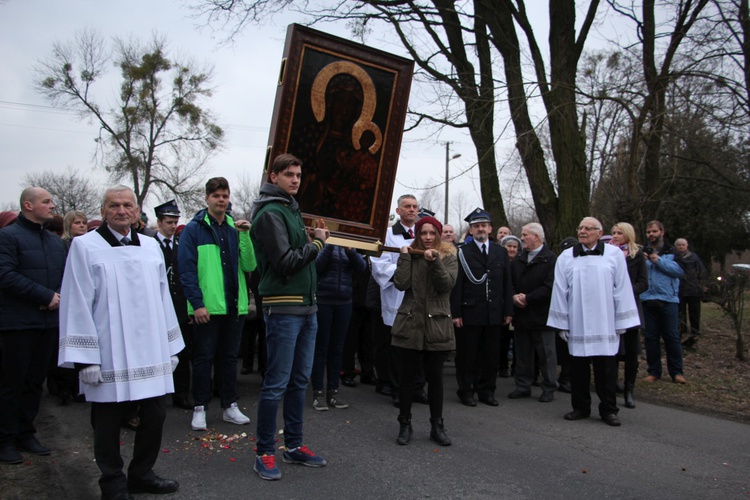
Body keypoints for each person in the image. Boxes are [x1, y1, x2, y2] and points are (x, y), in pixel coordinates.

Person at [58, 185, 183, 498]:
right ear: (103, 212)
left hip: (151, 349)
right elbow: (76, 301)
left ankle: (142, 473)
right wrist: (85, 357)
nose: (121, 211)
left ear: (137, 211)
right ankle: (112, 482)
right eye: (114, 205)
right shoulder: (85, 246)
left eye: (128, 205)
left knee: (155, 414)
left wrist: (171, 345)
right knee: (108, 420)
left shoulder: (152, 246)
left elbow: (162, 296)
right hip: (109, 349)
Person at [250, 153, 329, 481]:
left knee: (299, 381)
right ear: (274, 176)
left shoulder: (290, 210)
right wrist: (318, 245)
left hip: (307, 307)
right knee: (276, 384)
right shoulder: (270, 213)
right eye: (289, 174)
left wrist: (311, 244)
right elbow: (284, 262)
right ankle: (264, 452)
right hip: (283, 307)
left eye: (298, 174)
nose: (296, 179)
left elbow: (299, 260)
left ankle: (294, 445)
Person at [179, 178, 256, 431]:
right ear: (207, 198)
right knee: (203, 358)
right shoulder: (194, 228)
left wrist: (245, 235)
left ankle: (229, 405)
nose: (221, 200)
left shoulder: (236, 228)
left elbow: (249, 265)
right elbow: (187, 271)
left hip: (235, 305)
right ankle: (200, 407)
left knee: (229, 358)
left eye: (225, 195)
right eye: (216, 196)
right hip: (208, 308)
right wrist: (197, 304)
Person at [548, 217, 640, 427]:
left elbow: (622, 287)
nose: (583, 231)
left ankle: (608, 409)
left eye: (588, 228)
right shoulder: (566, 256)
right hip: (577, 321)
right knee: (578, 368)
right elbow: (560, 291)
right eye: (580, 227)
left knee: (606, 369)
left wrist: (622, 320)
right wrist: (562, 323)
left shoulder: (614, 255)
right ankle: (580, 407)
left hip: (604, 321)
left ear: (600, 233)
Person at [0, 187, 66, 465]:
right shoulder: (8, 237)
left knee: (34, 383)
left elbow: (64, 276)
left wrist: (57, 298)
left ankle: (26, 432)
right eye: (46, 201)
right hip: (17, 324)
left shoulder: (54, 242)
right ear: (28, 205)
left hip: (48, 323)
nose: (53, 206)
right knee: (10, 384)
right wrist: (44, 296)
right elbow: (5, 275)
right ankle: (4, 440)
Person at [393, 215, 457, 446]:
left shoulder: (449, 255)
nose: (427, 238)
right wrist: (404, 257)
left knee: (435, 379)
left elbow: (446, 285)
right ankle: (404, 424)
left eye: (432, 233)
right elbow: (401, 283)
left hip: (437, 325)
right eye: (423, 233)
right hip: (410, 324)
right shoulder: (410, 253)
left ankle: (436, 426)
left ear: (438, 235)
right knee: (407, 379)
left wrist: (435, 261)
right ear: (417, 235)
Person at [450, 208, 513, 407]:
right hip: (470, 311)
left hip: (494, 312)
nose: (480, 229)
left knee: (491, 354)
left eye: (483, 225)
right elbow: (457, 284)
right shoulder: (462, 252)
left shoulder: (500, 252)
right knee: (468, 354)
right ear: (470, 230)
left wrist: (508, 310)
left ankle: (486, 391)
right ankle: (466, 390)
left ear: (490, 228)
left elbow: (507, 283)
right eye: (476, 226)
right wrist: (456, 312)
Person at [371, 194, 428, 406]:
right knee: (396, 346)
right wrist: (407, 270)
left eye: (415, 206)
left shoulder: (424, 234)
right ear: (398, 210)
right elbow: (379, 265)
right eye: (407, 206)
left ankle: (418, 387)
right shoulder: (386, 235)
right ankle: (397, 388)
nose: (412, 209)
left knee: (419, 344)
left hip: (420, 297)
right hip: (397, 295)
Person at [311, 244, 365, 411]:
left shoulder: (348, 244)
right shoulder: (322, 243)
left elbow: (361, 267)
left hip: (345, 301)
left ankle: (333, 391)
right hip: (323, 300)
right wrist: (329, 245)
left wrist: (351, 250)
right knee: (321, 348)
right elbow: (316, 267)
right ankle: (318, 392)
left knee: (337, 348)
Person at [509, 223, 557, 402]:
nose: (521, 239)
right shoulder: (519, 259)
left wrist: (528, 298)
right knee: (523, 354)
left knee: (546, 354)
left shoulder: (550, 258)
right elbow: (510, 282)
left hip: (542, 315)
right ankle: (523, 385)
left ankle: (549, 386)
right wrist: (514, 297)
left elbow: (549, 286)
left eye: (525, 235)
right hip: (522, 316)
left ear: (536, 237)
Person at [153, 200, 193, 410]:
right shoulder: (150, 245)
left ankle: (181, 393)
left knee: (182, 351)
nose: (172, 226)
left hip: (179, 307)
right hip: (158, 306)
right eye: (169, 222)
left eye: (175, 221)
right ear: (159, 222)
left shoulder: (180, 245)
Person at [641, 221, 686, 384]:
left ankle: (677, 372)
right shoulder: (641, 251)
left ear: (662, 232)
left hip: (668, 300)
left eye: (654, 231)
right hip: (647, 299)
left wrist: (658, 260)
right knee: (651, 338)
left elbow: (680, 271)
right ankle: (654, 371)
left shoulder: (672, 251)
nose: (651, 234)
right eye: (648, 232)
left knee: (672, 337)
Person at [609, 222, 648, 409]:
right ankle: (612, 384)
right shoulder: (607, 254)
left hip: (631, 306)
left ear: (628, 235)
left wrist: (626, 291)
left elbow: (643, 283)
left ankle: (629, 390)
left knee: (631, 351)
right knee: (613, 349)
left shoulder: (636, 255)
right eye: (613, 233)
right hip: (610, 308)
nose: (615, 236)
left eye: (619, 233)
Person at [674, 238, 706, 348]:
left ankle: (695, 330)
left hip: (693, 289)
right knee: (680, 312)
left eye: (683, 245)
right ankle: (681, 329)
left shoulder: (694, 257)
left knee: (694, 311)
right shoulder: (674, 258)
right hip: (679, 289)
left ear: (687, 246)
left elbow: (701, 271)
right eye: (679, 245)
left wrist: (701, 284)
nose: (681, 247)